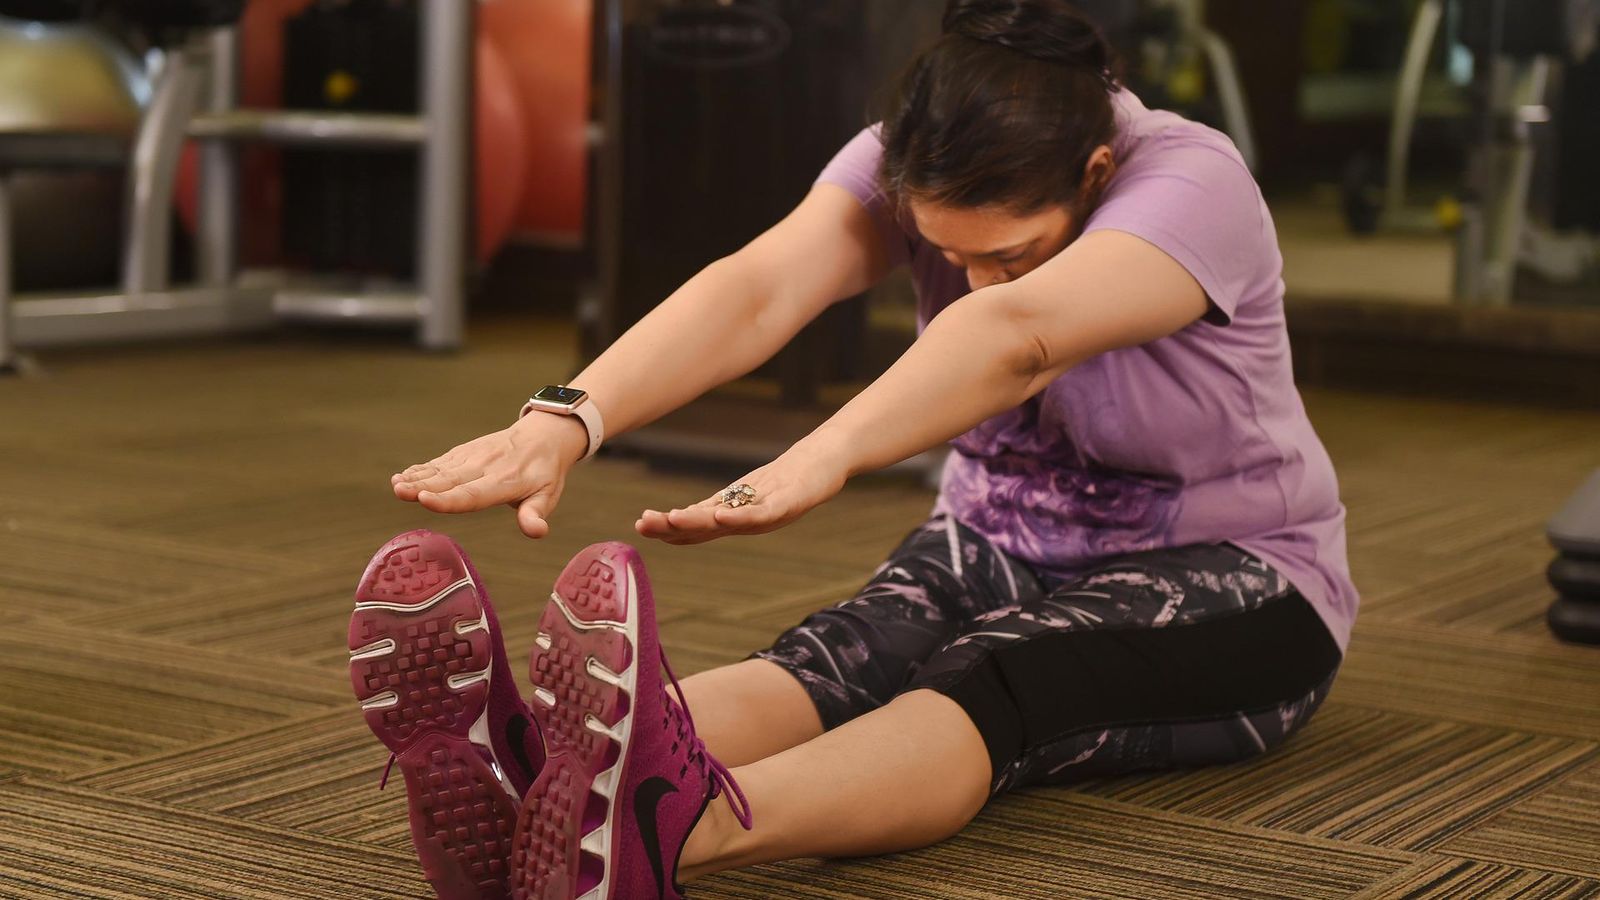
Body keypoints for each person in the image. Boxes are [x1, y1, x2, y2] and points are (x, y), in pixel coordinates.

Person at [373, 1, 1356, 897]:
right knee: (834, 656)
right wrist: (568, 416)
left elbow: (1013, 336)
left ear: (1093, 177)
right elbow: (759, 286)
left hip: (1242, 578)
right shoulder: (908, 152)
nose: (971, 280)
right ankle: (529, 774)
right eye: (948, 254)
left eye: (1006, 253)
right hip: (991, 541)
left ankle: (664, 835)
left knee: (994, 674)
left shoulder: (1188, 180)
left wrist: (825, 453)